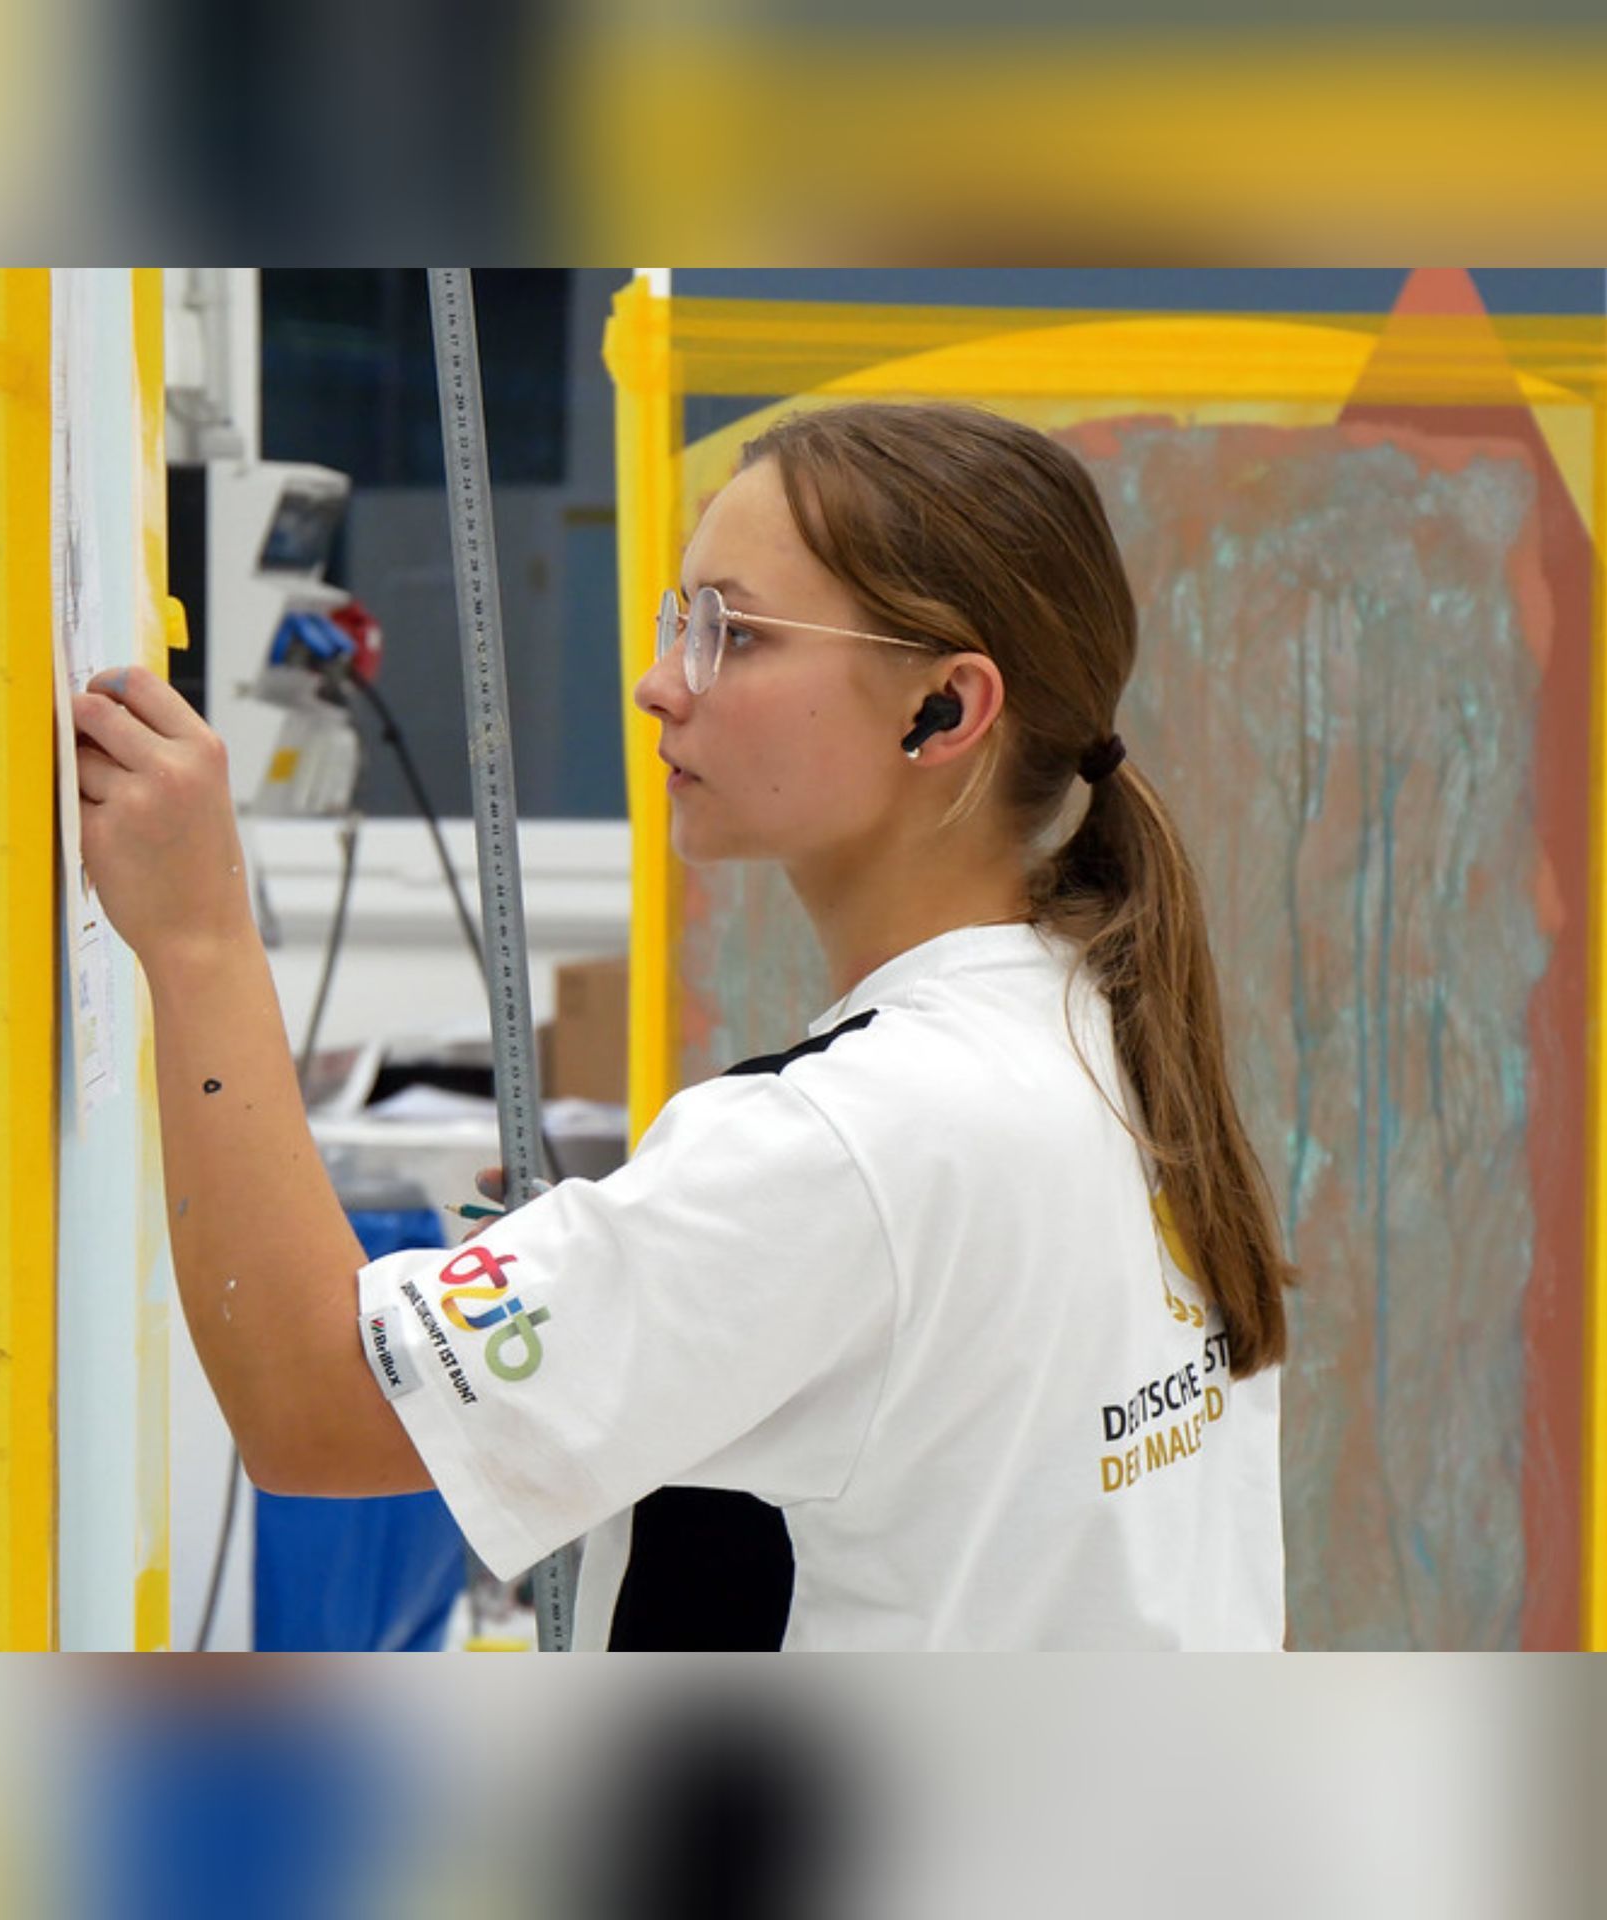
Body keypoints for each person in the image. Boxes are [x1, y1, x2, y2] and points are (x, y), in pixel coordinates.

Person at [72, 401, 1292, 1650]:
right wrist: (634, 1276)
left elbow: (314, 1404)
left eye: (733, 634)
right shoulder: (1095, 1024)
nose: (660, 685)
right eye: (680, 623)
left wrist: (199, 937)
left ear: (943, 707)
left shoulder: (845, 1144)